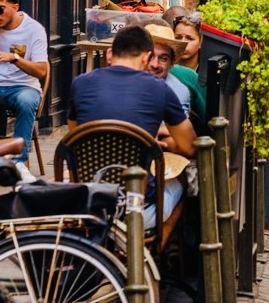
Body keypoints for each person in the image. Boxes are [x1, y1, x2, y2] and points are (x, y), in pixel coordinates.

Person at [68, 24, 196, 230]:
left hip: (87, 201)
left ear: (109, 54)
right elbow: (189, 147)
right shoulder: (159, 89)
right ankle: (149, 254)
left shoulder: (79, 83)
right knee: (183, 185)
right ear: (146, 58)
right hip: (133, 206)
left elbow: (74, 136)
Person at [0, 0, 49, 159]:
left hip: (22, 86)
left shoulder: (34, 29)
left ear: (15, 7)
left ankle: (19, 162)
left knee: (26, 102)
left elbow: (41, 71)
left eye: (0, 9)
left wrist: (15, 58)